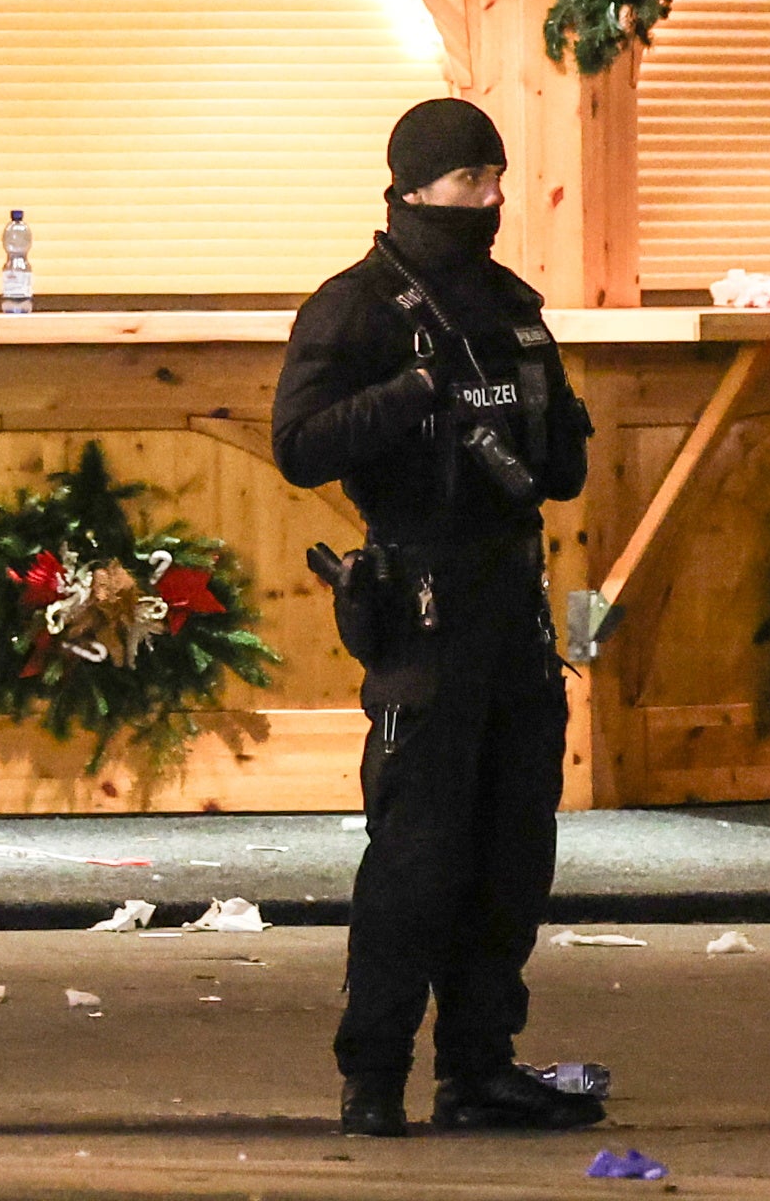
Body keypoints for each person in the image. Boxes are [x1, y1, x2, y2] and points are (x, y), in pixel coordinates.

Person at [270, 97, 603, 1138]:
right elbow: (300, 444)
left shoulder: (511, 304)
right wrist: (416, 392)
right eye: (471, 181)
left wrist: (536, 413)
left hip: (512, 609)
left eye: (499, 178)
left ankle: (480, 1063)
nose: (492, 198)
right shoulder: (357, 306)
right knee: (416, 856)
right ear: (415, 185)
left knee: (512, 852)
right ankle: (374, 1075)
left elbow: (560, 466)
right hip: (421, 608)